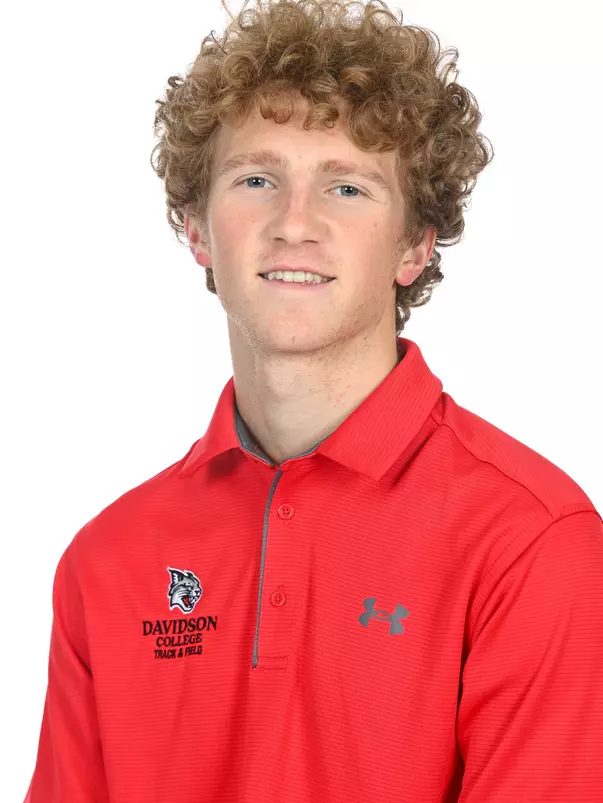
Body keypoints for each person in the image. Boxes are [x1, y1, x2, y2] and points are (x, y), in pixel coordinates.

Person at [24, 0, 603, 801]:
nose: (295, 224)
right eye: (257, 179)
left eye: (347, 188)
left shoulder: (528, 540)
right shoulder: (107, 559)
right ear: (197, 230)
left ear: (414, 244)